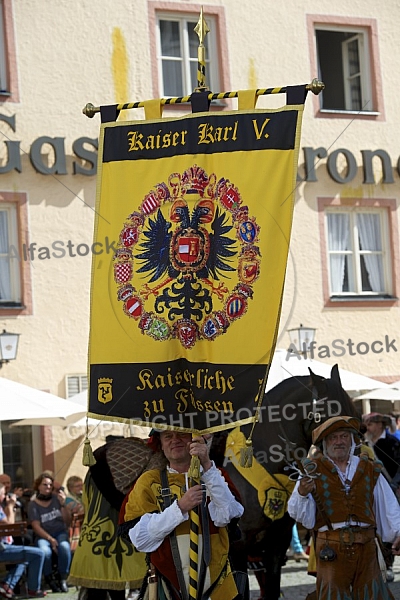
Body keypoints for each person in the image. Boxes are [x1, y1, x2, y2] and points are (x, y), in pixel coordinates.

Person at [288, 415, 400, 600]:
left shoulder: (370, 469)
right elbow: (299, 514)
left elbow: (388, 504)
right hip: (331, 550)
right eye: (334, 437)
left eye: (344, 436)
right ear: (325, 442)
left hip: (367, 548)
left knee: (372, 595)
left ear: (352, 440)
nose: (339, 441)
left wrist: (397, 533)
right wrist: (301, 492)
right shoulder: (312, 471)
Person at [123, 430, 244, 600]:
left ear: (194, 440)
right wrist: (180, 508)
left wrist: (207, 465)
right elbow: (140, 538)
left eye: (181, 435)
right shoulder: (148, 481)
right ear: (161, 445)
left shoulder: (216, 476)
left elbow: (229, 516)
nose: (175, 440)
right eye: (168, 436)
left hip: (218, 582)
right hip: (167, 585)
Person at [0, 482, 47, 598]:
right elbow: (9, 525)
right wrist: (10, 506)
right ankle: (33, 589)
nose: (5, 496)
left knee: (25, 556)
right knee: (38, 554)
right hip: (2, 549)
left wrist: (10, 507)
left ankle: (7, 585)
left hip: (5, 546)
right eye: (2, 494)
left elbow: (5, 521)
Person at [27, 471, 71, 594]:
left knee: (64, 547)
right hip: (43, 535)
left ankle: (62, 578)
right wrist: (50, 539)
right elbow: (36, 526)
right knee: (44, 551)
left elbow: (67, 522)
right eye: (45, 484)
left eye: (50, 485)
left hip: (60, 532)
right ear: (38, 486)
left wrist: (63, 505)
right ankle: (49, 578)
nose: (48, 487)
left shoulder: (57, 500)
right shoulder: (33, 505)